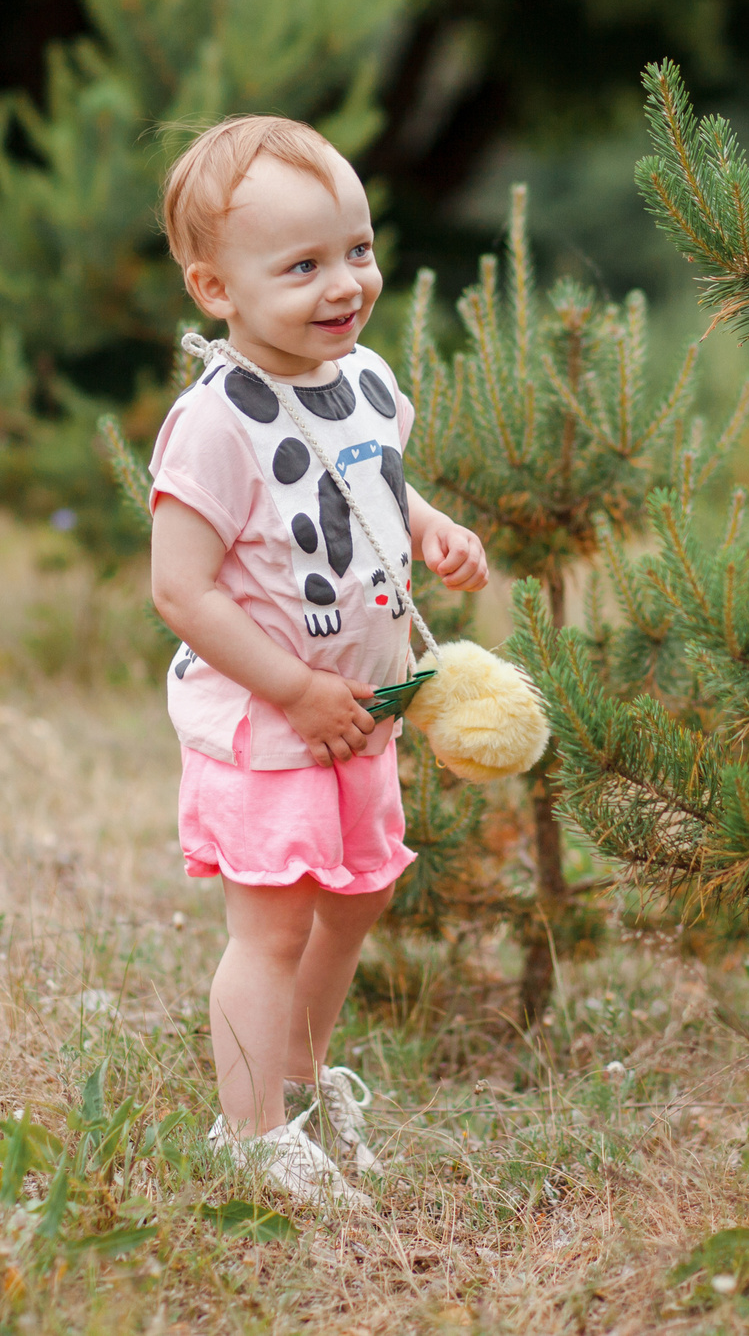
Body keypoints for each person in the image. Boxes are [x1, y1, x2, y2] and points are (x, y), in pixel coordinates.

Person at [145, 115, 492, 1212]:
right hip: (273, 724)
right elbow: (180, 590)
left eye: (357, 249)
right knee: (274, 925)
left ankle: (298, 1081)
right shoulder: (214, 425)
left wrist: (430, 524)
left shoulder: (363, 378)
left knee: (355, 899)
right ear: (216, 290)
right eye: (302, 266)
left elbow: (370, 475)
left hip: (365, 712)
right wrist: (294, 688)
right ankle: (248, 1134)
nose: (345, 283)